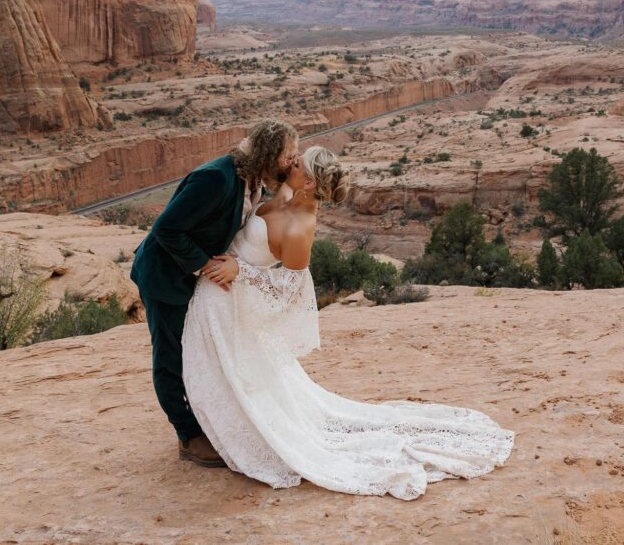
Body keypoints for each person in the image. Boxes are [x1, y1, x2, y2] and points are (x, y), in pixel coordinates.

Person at [181, 146, 514, 500]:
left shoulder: (300, 226)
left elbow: (291, 286)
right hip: (218, 298)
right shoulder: (287, 193)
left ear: (308, 182)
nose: (290, 162)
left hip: (230, 295)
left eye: (297, 162)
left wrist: (241, 270)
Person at [130, 119, 299, 467]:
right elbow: (166, 229)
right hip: (164, 277)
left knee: (194, 353)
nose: (290, 163)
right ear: (268, 155)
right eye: (287, 156)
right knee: (171, 357)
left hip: (188, 278)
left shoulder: (253, 181)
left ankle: (205, 422)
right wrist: (205, 266)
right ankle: (188, 437)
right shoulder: (216, 179)